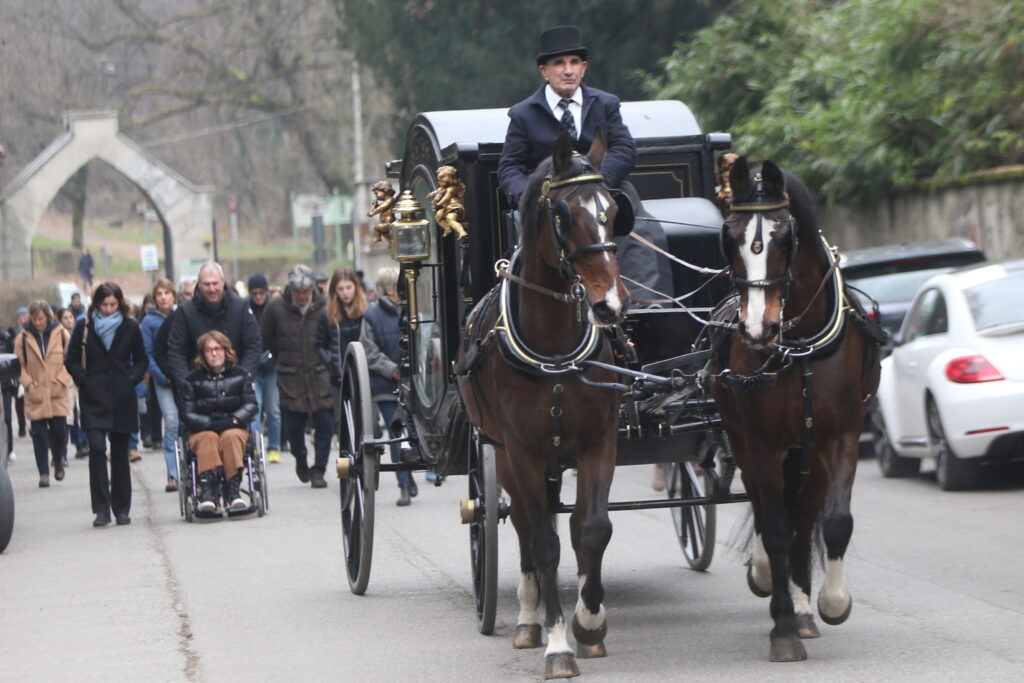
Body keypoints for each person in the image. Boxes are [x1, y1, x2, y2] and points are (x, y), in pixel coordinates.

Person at [496, 25, 671, 301]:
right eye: (559, 63)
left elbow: (624, 148)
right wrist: (529, 198)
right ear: (544, 71)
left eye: (574, 63)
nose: (568, 70)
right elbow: (511, 167)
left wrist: (598, 183)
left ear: (584, 67)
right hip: (552, 201)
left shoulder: (606, 103)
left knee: (643, 230)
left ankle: (644, 305)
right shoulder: (522, 115)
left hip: (604, 189)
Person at [64, 282, 148, 527]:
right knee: (97, 450)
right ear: (97, 305)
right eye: (105, 305)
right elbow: (71, 360)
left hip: (122, 397)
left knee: (120, 454)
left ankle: (122, 508)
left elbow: (142, 359)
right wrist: (84, 380)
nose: (109, 309)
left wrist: (131, 379)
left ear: (119, 303)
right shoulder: (84, 326)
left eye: (113, 304)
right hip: (94, 397)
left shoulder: (130, 326)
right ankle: (101, 509)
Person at [261, 264, 333, 489]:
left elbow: (333, 338)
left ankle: (319, 469)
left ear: (312, 289)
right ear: (290, 290)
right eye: (297, 292)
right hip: (290, 376)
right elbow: (268, 338)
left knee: (325, 424)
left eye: (305, 292)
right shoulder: (275, 308)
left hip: (320, 374)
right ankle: (300, 458)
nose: (301, 296)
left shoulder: (325, 306)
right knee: (294, 427)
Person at [180, 331, 258, 512]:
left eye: (217, 349)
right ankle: (207, 491)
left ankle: (233, 491)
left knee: (231, 437)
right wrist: (209, 423)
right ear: (202, 354)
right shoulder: (192, 380)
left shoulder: (242, 375)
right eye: (209, 350)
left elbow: (251, 404)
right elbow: (187, 412)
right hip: (202, 429)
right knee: (208, 438)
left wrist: (233, 419)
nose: (214, 354)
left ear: (225, 350)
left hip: (233, 425)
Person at [360, 266, 418, 506]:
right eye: (393, 287)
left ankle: (410, 473)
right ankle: (403, 483)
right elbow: (370, 351)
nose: (397, 291)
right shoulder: (371, 316)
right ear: (385, 290)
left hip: (414, 382)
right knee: (397, 432)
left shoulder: (413, 310)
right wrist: (393, 370)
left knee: (413, 431)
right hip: (386, 385)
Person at [165, 262, 262, 389]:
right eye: (206, 284)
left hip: (235, 386)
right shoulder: (185, 311)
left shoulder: (240, 307)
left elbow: (253, 345)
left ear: (223, 282)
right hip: (197, 388)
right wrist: (185, 384)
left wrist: (244, 379)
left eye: (215, 283)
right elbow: (176, 351)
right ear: (199, 285)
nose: (212, 289)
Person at [15, 301, 72, 487]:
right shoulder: (23, 338)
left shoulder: (62, 334)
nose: (38, 322)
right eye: (34, 319)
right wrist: (28, 384)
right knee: (39, 436)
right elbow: (19, 366)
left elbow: (71, 360)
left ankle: (58, 460)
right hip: (36, 393)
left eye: (41, 318)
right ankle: (43, 473)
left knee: (59, 432)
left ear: (47, 317)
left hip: (57, 393)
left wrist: (62, 379)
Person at [141, 278, 180, 492]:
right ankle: (172, 473)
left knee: (187, 422)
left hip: (183, 378)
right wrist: (162, 376)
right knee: (172, 421)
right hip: (163, 380)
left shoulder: (182, 315)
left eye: (167, 293)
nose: (163, 297)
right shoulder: (149, 322)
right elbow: (147, 354)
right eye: (159, 294)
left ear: (173, 295)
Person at [317, 267, 368, 424]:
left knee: (366, 421)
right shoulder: (327, 314)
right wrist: (331, 362)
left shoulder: (366, 310)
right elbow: (319, 345)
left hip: (364, 373)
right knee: (343, 422)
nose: (345, 293)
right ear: (335, 291)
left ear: (355, 287)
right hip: (339, 376)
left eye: (348, 287)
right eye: (341, 289)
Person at [246, 273, 282, 464]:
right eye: (255, 293)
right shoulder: (246, 309)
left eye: (261, 293)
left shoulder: (274, 308)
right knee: (255, 410)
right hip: (253, 369)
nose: (258, 296)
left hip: (271, 367)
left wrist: (271, 356)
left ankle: (274, 447)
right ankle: (254, 448)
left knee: (273, 410)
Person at [58, 308, 89, 459]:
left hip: (81, 378)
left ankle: (85, 441)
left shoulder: (81, 331)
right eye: (65, 318)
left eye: (71, 317)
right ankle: (78, 443)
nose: (69, 320)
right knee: (72, 414)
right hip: (67, 380)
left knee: (82, 410)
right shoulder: (60, 335)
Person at [0, 324, 17, 463]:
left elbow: (13, 361)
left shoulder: (5, 338)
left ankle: (9, 449)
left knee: (7, 419)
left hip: (4, 385)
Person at [13, 307, 29, 439]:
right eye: (20, 316)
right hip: (18, 371)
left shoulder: (31, 332)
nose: (22, 318)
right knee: (19, 399)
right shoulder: (14, 333)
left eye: (24, 316)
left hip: (32, 370)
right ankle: (22, 425)